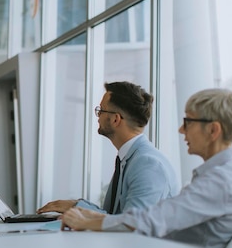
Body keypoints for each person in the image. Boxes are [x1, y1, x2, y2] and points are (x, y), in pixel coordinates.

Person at [60, 88, 232, 248]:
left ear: (213, 130)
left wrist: (87, 221)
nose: (181, 130)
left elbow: (153, 220)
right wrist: (90, 216)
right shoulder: (223, 177)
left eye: (188, 122)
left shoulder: (220, 182)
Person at [37, 81, 178, 215]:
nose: (98, 117)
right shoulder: (129, 159)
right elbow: (116, 216)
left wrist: (77, 208)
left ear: (115, 119)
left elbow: (130, 225)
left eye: (101, 111)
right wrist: (76, 206)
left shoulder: (148, 165)